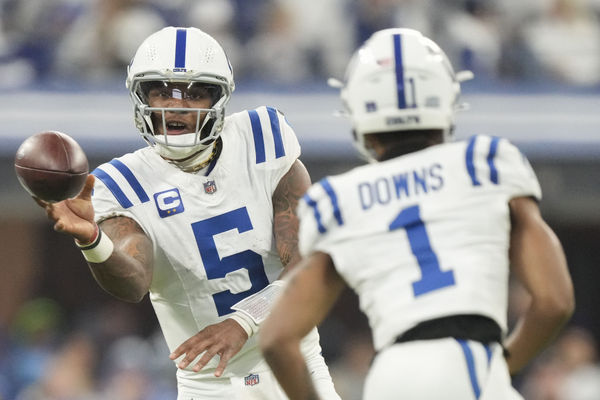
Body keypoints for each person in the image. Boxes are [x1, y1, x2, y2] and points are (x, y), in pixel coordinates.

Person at [260, 28, 575, 400]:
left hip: (389, 377)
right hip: (470, 357)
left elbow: (278, 338)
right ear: (446, 97)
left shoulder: (337, 197)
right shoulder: (485, 163)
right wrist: (502, 366)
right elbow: (555, 301)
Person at [36, 26, 340, 400]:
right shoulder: (122, 182)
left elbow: (307, 265)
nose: (175, 105)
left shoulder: (262, 139)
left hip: (297, 366)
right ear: (140, 96)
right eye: (161, 91)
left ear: (218, 99)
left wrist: (243, 321)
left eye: (194, 93)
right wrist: (93, 241)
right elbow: (133, 282)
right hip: (208, 387)